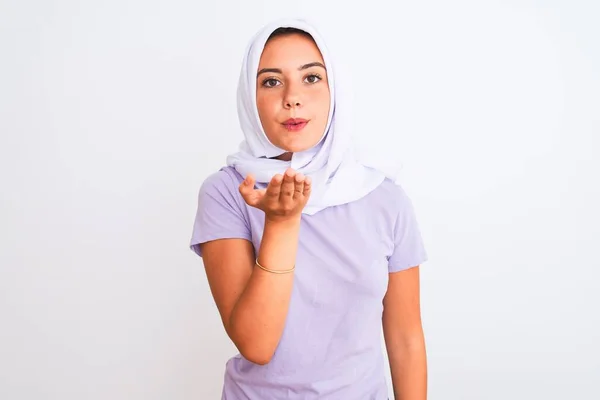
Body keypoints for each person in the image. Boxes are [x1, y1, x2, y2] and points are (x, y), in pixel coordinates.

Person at [189, 18, 428, 400]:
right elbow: (257, 344)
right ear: (250, 99)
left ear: (336, 89)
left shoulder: (383, 197)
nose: (292, 97)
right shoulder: (228, 192)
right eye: (271, 81)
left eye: (311, 78)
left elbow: (405, 338)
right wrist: (281, 224)